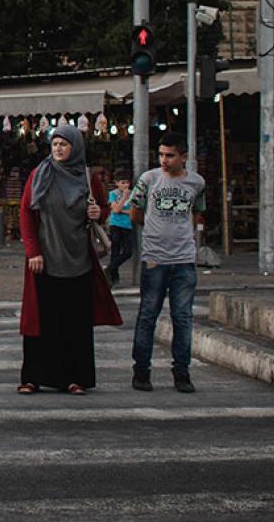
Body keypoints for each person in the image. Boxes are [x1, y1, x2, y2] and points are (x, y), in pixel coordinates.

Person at [18, 125, 121, 395]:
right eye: (55, 144)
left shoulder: (88, 178)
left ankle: (75, 378)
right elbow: (26, 215)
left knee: (75, 323)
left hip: (79, 260)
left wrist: (100, 212)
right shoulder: (39, 175)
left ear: (75, 147)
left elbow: (103, 209)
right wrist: (33, 251)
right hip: (45, 260)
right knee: (41, 321)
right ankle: (33, 377)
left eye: (64, 144)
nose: (58, 149)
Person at [127, 133, 206, 394]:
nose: (164, 160)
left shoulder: (196, 183)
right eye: (161, 154)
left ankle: (181, 373)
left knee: (182, 317)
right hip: (154, 258)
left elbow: (196, 214)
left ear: (183, 157)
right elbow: (135, 213)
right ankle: (141, 371)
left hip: (184, 259)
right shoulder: (149, 179)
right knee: (148, 314)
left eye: (170, 155)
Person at [106, 174, 134, 287]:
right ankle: (113, 277)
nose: (125, 185)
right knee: (115, 251)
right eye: (122, 182)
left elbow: (133, 212)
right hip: (115, 225)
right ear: (117, 183)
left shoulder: (133, 194)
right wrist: (124, 198)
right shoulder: (113, 194)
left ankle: (109, 268)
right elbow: (116, 209)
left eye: (127, 182)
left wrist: (120, 209)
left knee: (128, 251)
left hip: (127, 226)